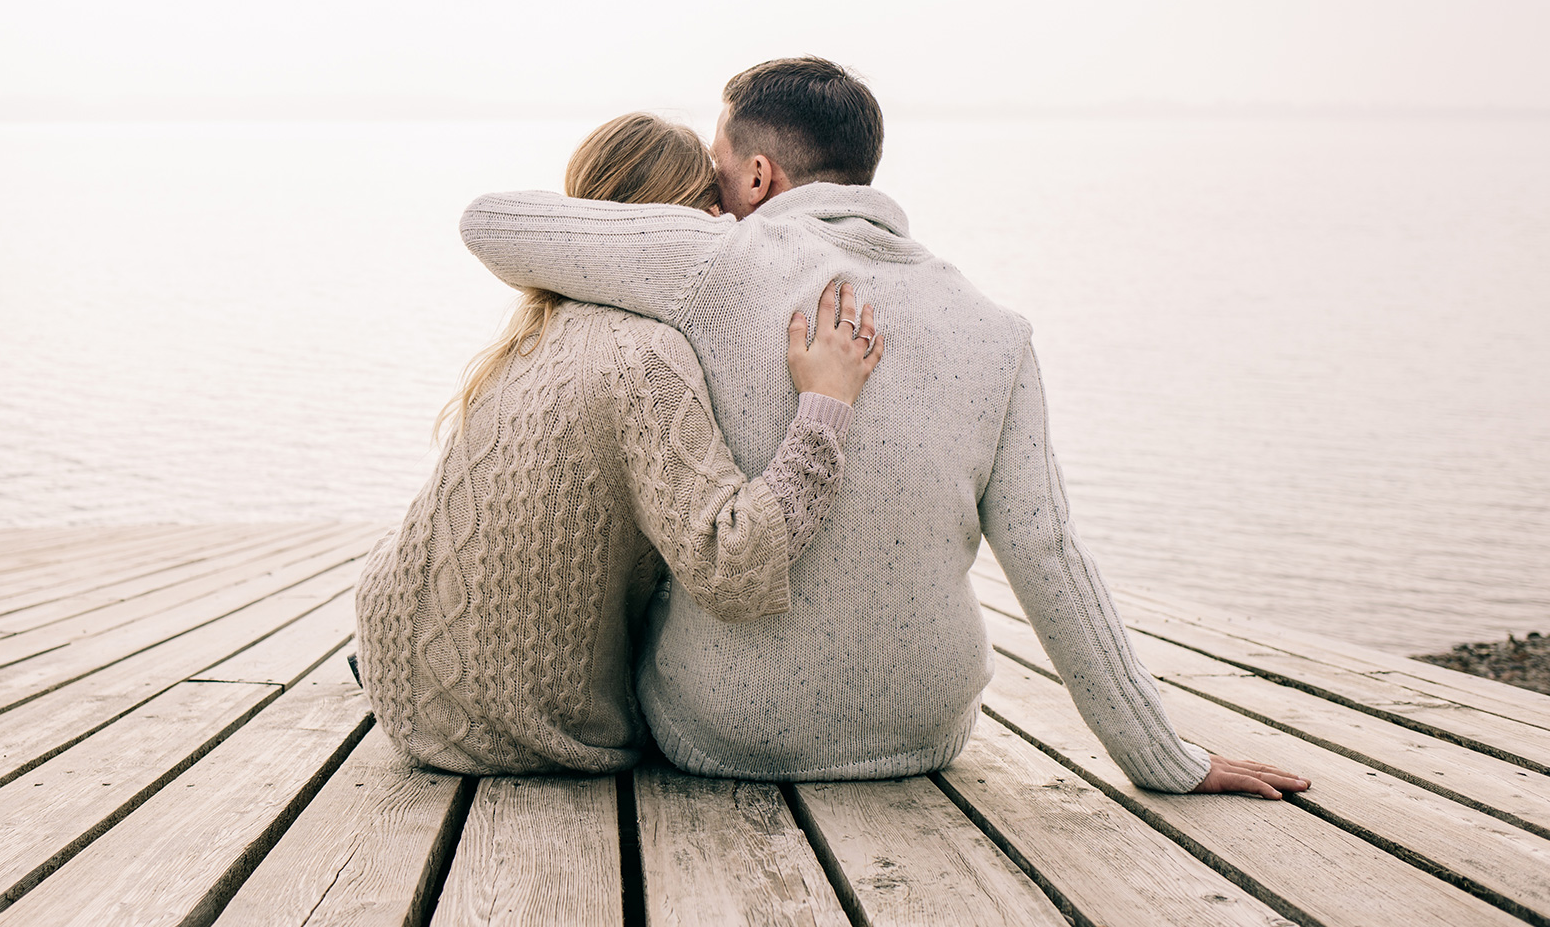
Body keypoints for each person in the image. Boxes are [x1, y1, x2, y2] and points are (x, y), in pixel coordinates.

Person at [459, 58, 1308, 798]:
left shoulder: (714, 263)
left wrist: (672, 229)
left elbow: (490, 223)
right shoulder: (996, 329)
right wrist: (1169, 758)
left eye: (717, 179)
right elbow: (1049, 556)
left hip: (722, 737)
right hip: (923, 737)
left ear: (757, 177)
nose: (710, 204)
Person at [355, 112, 883, 775]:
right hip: (512, 725)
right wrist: (824, 409)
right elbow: (732, 568)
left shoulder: (531, 332)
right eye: (711, 211)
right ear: (672, 226)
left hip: (397, 669)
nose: (727, 229)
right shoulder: (648, 356)